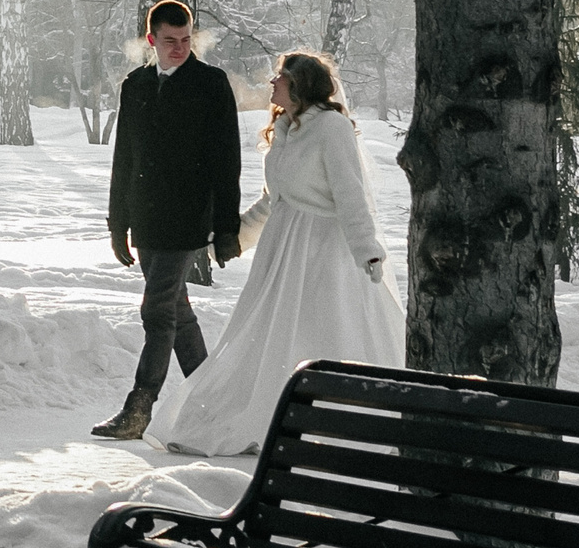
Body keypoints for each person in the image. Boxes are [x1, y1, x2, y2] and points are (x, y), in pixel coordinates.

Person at [151, 49, 405, 457]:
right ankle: (269, 414)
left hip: (323, 248)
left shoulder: (332, 128)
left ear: (299, 84)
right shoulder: (286, 128)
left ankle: (335, 420)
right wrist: (234, 238)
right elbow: (276, 199)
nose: (272, 83)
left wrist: (367, 250)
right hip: (283, 249)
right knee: (270, 331)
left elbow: (350, 195)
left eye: (279, 77)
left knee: (324, 328)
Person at [91, 0, 242, 441]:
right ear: (152, 39)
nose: (179, 48)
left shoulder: (211, 84)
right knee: (177, 310)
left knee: (157, 309)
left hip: (188, 217)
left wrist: (227, 226)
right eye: (170, 41)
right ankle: (211, 405)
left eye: (186, 39)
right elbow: (124, 158)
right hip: (145, 216)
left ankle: (139, 408)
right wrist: (117, 223)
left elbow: (226, 159)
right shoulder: (134, 85)